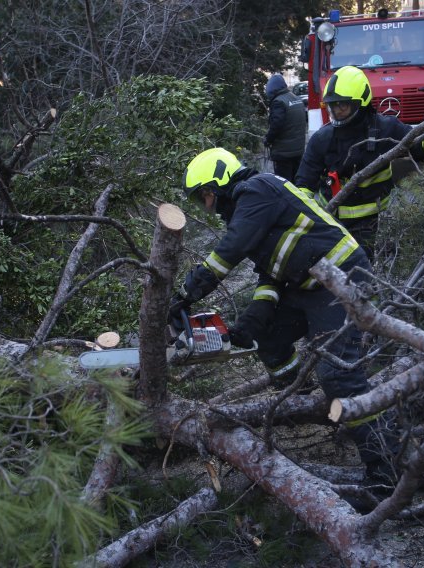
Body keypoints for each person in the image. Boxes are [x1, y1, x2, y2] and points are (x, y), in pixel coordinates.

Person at [168, 148, 397, 484]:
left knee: (339, 376)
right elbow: (270, 271)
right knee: (268, 341)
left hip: (342, 279)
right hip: (305, 284)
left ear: (219, 184)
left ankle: (386, 467)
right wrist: (256, 316)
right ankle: (302, 403)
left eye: (205, 196)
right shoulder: (248, 207)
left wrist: (190, 290)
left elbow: (233, 247)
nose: (206, 205)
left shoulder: (257, 189)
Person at [294, 66, 424, 263]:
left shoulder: (388, 129)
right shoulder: (322, 139)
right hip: (333, 223)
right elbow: (303, 184)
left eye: (342, 105)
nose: (336, 111)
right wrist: (304, 224)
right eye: (332, 106)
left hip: (377, 225)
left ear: (361, 102)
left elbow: (420, 149)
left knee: (366, 276)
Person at [263, 74, 307, 181]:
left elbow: (276, 125)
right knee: (296, 181)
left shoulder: (278, 102)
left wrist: (267, 140)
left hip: (284, 153)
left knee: (284, 184)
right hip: (298, 150)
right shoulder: (296, 99)